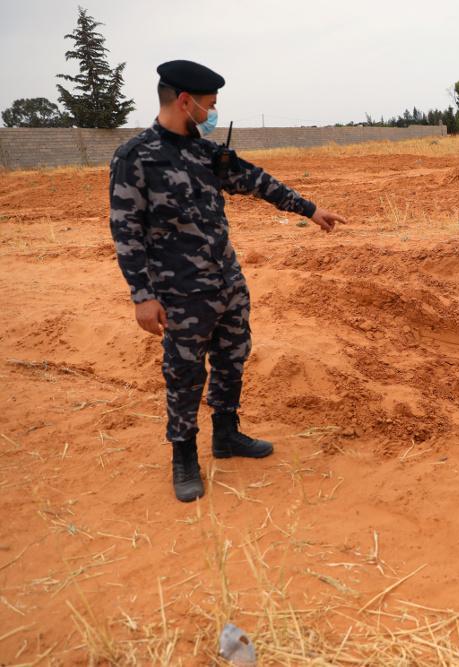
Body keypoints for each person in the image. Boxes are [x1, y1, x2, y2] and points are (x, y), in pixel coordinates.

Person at [109, 60, 347, 502]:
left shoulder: (206, 153)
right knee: (183, 373)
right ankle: (183, 456)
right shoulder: (135, 158)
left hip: (226, 283)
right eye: (210, 104)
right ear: (186, 101)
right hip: (179, 292)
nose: (212, 111)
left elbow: (257, 181)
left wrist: (310, 209)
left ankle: (226, 434)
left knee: (233, 356)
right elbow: (125, 231)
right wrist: (142, 296)